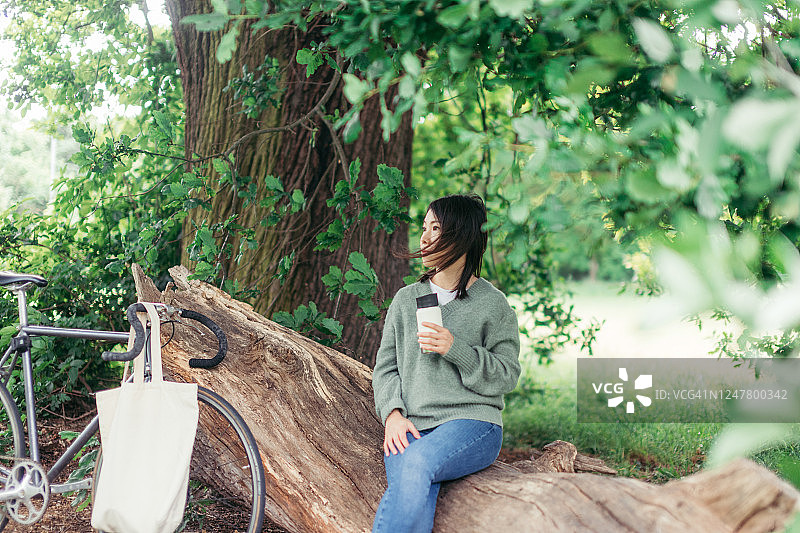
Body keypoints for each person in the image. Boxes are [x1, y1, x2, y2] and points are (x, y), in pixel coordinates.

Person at [371, 194, 521, 533]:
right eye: (423, 227)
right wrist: (392, 415)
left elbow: (507, 375)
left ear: (462, 235)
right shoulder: (407, 299)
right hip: (410, 427)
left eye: (435, 228)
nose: (422, 238)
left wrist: (457, 349)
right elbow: (386, 368)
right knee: (418, 491)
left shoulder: (492, 305)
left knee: (416, 464)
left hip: (472, 423)